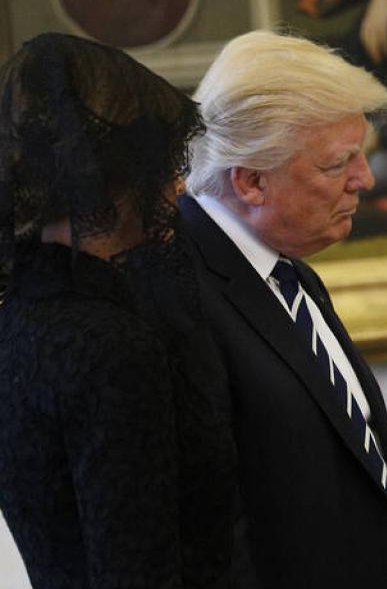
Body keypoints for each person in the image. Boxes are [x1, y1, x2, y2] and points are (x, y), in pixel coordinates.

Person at [179, 30, 387, 588]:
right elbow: (207, 529)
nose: (364, 179)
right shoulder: (177, 293)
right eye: (337, 164)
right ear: (250, 181)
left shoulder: (286, 271)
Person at [0, 33, 235, 587]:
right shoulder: (110, 344)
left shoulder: (18, 317)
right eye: (164, 163)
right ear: (120, 179)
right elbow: (135, 566)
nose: (177, 187)